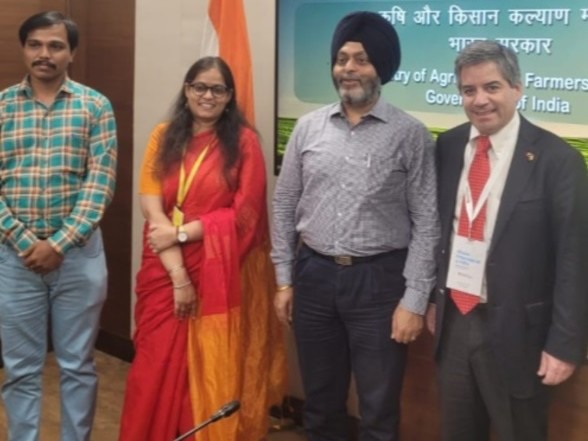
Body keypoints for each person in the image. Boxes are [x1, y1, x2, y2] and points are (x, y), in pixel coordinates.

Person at [272, 11, 439, 441]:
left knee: (378, 412)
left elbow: (427, 221)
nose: (349, 68)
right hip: (313, 276)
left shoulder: (410, 134)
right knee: (320, 406)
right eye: (342, 58)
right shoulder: (308, 128)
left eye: (361, 59)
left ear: (381, 66)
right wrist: (284, 280)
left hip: (379, 284)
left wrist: (414, 300)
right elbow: (285, 203)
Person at [118, 56, 287, 441]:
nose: (207, 96)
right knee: (152, 367)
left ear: (229, 96)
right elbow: (152, 209)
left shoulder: (243, 142)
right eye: (199, 87)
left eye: (217, 89)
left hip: (217, 272)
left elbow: (246, 217)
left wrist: (182, 234)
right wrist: (179, 276)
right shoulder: (163, 136)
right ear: (187, 90)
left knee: (206, 372)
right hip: (164, 268)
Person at [427, 40, 588, 441]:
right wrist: (432, 298)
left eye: (492, 87)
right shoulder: (448, 146)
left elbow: (574, 260)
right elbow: (437, 231)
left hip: (521, 333)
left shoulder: (558, 160)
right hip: (456, 320)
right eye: (468, 90)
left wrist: (565, 344)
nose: (480, 100)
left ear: (517, 88)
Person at [0, 10, 117, 441]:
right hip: (15, 260)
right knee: (20, 369)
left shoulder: (95, 106)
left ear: (72, 53)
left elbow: (100, 183)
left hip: (79, 258)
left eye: (55, 46)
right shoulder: (1, 107)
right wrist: (24, 240)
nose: (44, 54)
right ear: (23, 49)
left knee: (77, 366)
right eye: (35, 44)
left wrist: (59, 244)